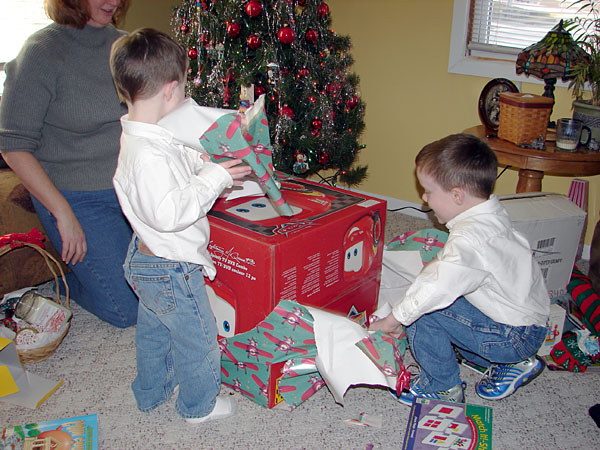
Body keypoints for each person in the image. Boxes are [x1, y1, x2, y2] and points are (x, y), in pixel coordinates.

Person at [110, 28, 252, 423]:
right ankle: (198, 407)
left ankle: (151, 390)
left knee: (155, 331)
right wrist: (214, 180)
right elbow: (169, 213)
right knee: (199, 338)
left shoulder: (149, 139)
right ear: (171, 90)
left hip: (148, 259)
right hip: (171, 266)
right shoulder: (149, 155)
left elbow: (180, 165)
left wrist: (211, 168)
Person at [370, 133, 550, 404]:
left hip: (513, 336)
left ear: (456, 195)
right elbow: (458, 267)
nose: (425, 200)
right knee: (440, 294)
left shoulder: (470, 240)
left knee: (425, 311)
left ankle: (442, 386)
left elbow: (435, 288)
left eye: (428, 192)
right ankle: (513, 362)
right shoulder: (490, 214)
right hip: (527, 325)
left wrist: (393, 320)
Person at [0, 0, 138, 328]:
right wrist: (63, 212)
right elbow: (12, 145)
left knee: (170, 282)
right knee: (128, 309)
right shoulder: (41, 52)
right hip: (75, 197)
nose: (113, 1)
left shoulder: (127, 45)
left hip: (129, 187)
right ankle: (64, 286)